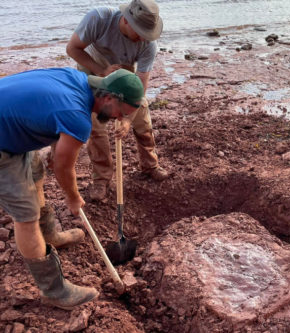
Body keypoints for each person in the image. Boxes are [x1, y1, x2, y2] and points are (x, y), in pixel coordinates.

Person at [0, 67, 144, 309]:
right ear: (109, 97)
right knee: (26, 216)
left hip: (10, 126)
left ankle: (50, 236)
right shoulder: (76, 116)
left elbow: (50, 119)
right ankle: (54, 291)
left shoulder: (77, 79)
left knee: (35, 171)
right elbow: (62, 168)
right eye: (121, 113)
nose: (119, 119)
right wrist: (74, 198)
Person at [66, 0, 168, 201]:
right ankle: (101, 179)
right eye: (139, 32)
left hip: (125, 73)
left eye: (147, 34)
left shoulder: (148, 44)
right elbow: (73, 49)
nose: (142, 38)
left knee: (143, 118)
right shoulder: (99, 18)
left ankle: (150, 165)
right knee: (96, 125)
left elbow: (141, 84)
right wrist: (101, 71)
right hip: (94, 68)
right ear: (127, 20)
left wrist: (128, 118)